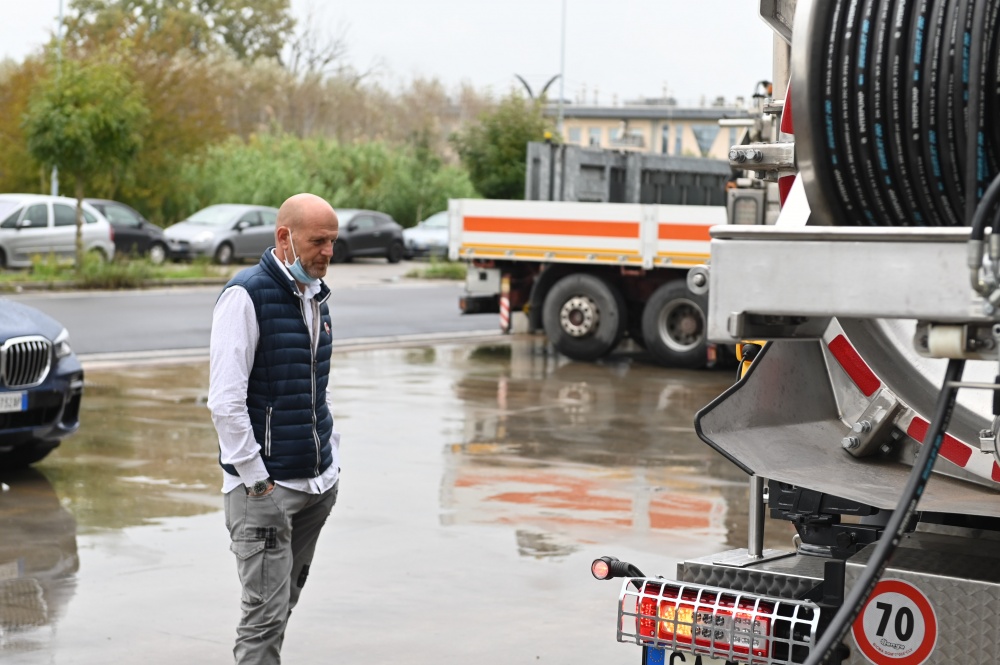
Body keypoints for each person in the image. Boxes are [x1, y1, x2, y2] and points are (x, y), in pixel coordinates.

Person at [207, 193, 341, 664]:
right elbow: (225, 403)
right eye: (318, 241)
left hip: (315, 485)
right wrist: (257, 482)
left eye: (333, 241)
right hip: (265, 491)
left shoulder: (315, 298)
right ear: (284, 237)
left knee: (282, 608)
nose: (327, 252)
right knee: (262, 620)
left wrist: (331, 458)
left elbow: (315, 389)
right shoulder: (245, 295)